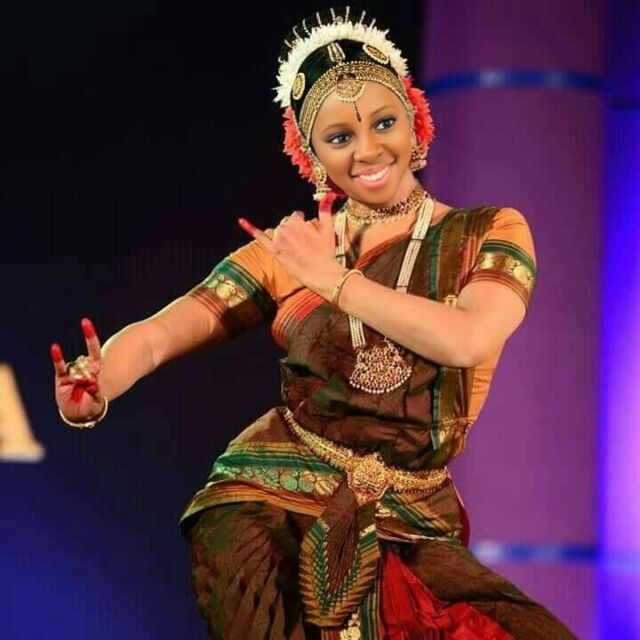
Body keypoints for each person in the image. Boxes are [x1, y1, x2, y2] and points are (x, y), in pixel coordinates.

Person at [51, 7, 576, 639]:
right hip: (274, 504)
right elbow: (165, 331)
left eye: (384, 122)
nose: (368, 149)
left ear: (416, 119)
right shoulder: (289, 252)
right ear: (310, 153)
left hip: (413, 511)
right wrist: (104, 378)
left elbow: (468, 338)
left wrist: (336, 283)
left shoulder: (486, 232)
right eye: (339, 137)